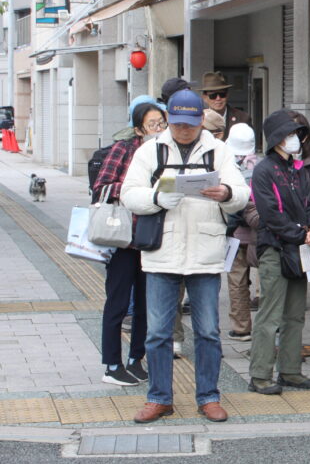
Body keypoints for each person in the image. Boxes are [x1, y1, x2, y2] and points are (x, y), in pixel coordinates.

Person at [121, 89, 251, 424]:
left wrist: (225, 193)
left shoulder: (217, 151)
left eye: (190, 124)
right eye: (177, 124)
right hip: (162, 252)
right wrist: (157, 198)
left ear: (199, 120)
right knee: (157, 332)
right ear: (168, 121)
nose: (183, 130)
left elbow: (241, 193)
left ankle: (209, 396)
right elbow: (129, 194)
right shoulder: (150, 151)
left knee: (208, 330)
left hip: (205, 253)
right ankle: (159, 397)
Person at [247, 110, 310, 395]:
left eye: (296, 134)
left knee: (295, 315)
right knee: (270, 315)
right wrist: (303, 233)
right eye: (289, 134)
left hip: (300, 249)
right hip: (275, 249)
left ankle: (291, 370)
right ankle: (260, 375)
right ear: (276, 139)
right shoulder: (263, 169)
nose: (295, 139)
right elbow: (269, 215)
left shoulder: (298, 168)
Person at [92, 102, 167, 386]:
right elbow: (101, 188)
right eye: (153, 124)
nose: (159, 129)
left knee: (148, 305)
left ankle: (137, 359)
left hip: (153, 239)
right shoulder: (124, 150)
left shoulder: (167, 152)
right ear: (138, 129)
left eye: (162, 123)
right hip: (124, 239)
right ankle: (112, 364)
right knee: (118, 303)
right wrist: (136, 190)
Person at [224, 123, 262, 340]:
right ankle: (268, 324)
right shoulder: (260, 164)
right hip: (258, 231)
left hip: (236, 233)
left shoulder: (227, 165)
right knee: (264, 279)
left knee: (237, 280)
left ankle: (241, 327)